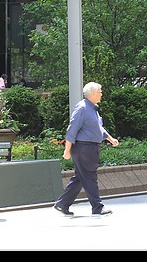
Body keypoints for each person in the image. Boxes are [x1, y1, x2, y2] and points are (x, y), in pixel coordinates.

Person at [54, 81, 119, 217]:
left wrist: (110, 138)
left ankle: (62, 204)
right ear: (93, 93)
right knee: (89, 176)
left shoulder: (92, 109)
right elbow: (72, 129)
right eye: (100, 92)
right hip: (84, 148)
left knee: (80, 177)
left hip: (89, 148)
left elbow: (98, 128)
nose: (101, 94)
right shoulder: (82, 108)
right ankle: (97, 207)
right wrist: (67, 150)